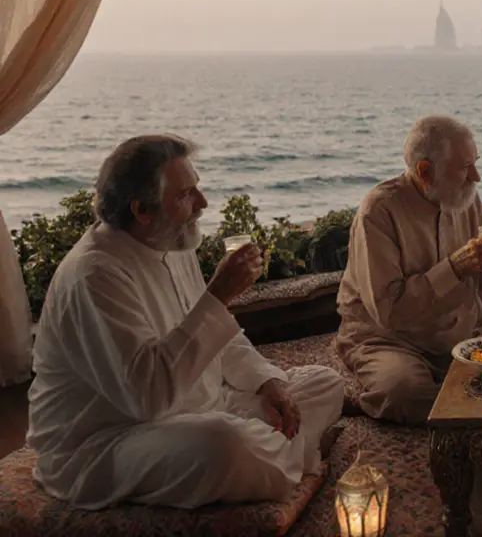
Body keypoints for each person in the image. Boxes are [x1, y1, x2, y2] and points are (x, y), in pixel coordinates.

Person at [27, 135, 344, 509]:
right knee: (222, 444)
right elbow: (149, 397)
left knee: (324, 383)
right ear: (142, 210)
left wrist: (268, 382)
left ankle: (276, 457)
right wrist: (219, 294)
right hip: (109, 440)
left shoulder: (171, 241)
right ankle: (295, 456)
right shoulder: (95, 277)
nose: (202, 204)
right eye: (185, 195)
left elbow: (219, 335)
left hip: (200, 408)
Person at [336, 115, 482, 425]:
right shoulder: (379, 212)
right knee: (403, 391)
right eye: (464, 167)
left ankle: (456, 388)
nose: (476, 176)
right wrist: (456, 266)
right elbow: (389, 312)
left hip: (460, 326)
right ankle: (447, 393)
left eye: (475, 163)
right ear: (425, 171)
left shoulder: (467, 199)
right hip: (392, 338)